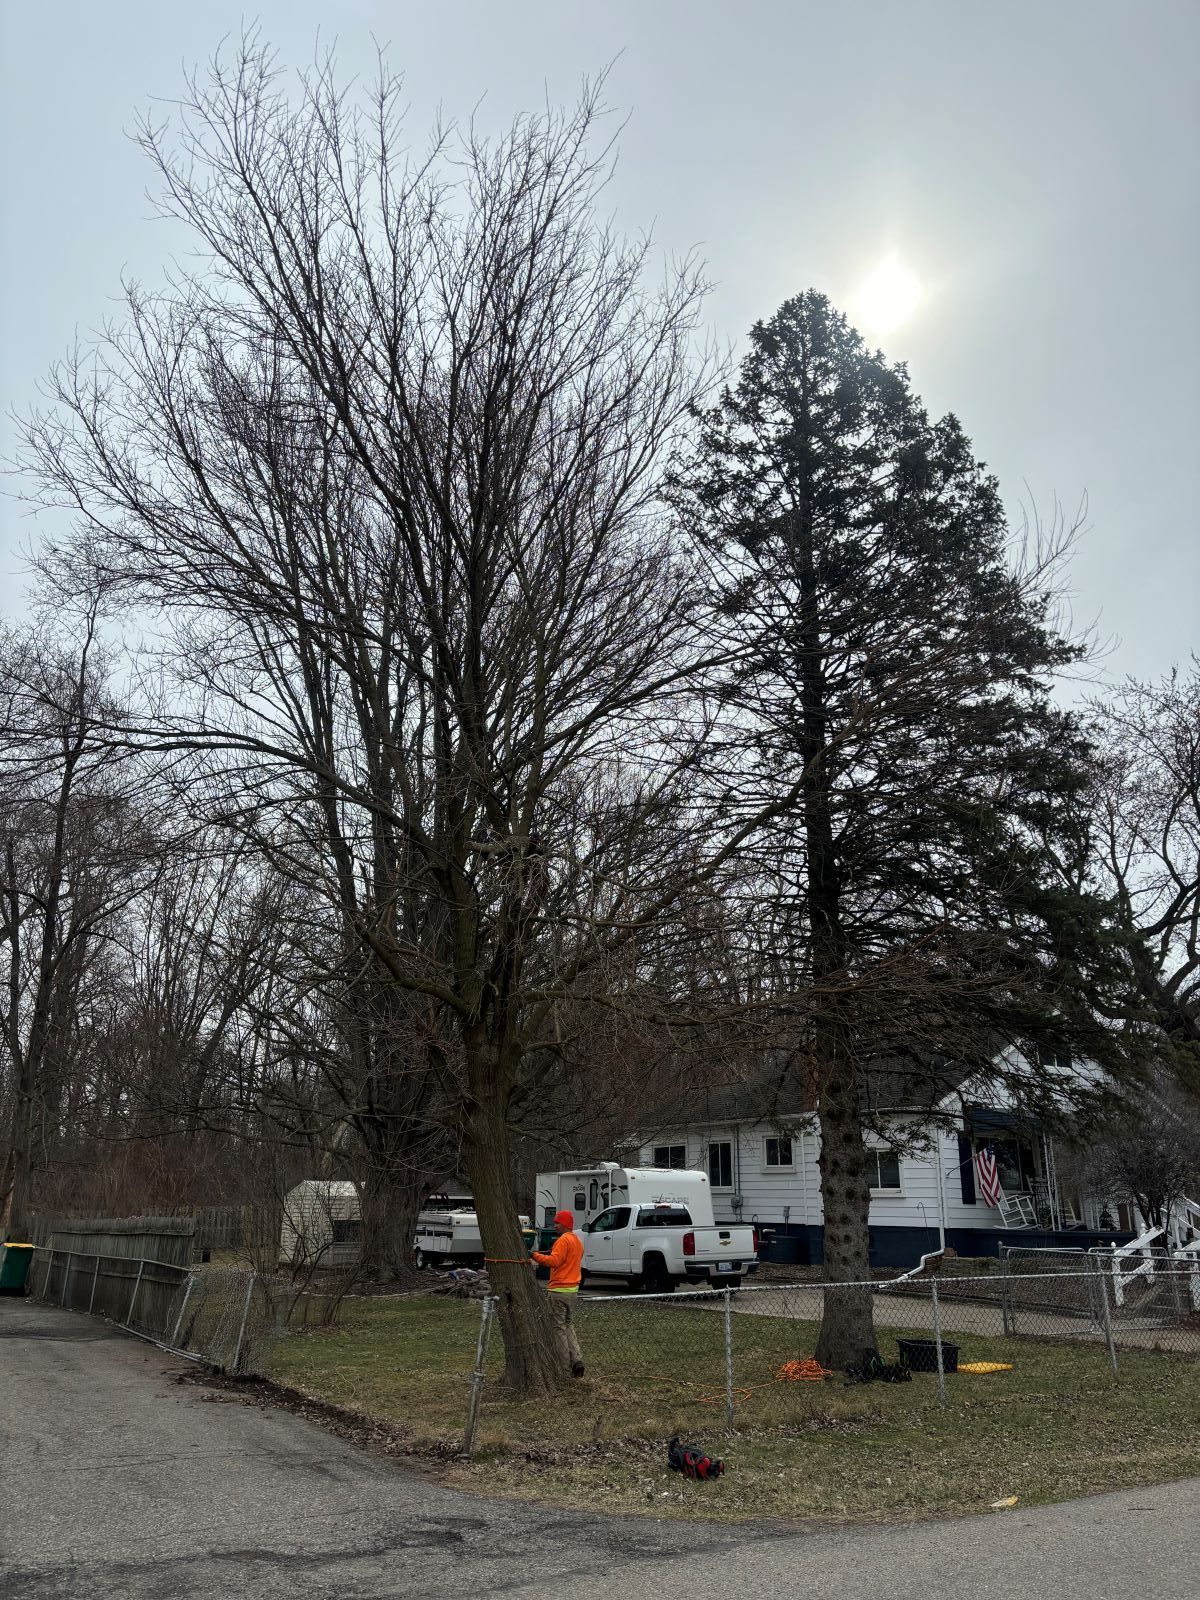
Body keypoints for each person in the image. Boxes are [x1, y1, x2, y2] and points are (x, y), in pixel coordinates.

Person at [530, 1209, 585, 1377]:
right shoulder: (577, 1241)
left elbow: (554, 1261)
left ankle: (564, 1369)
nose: (554, 1226)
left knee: (558, 1329)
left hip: (558, 1291)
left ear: (565, 1224)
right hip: (572, 1291)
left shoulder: (563, 1241)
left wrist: (534, 1256)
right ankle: (577, 1359)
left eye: (557, 1223)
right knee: (568, 1324)